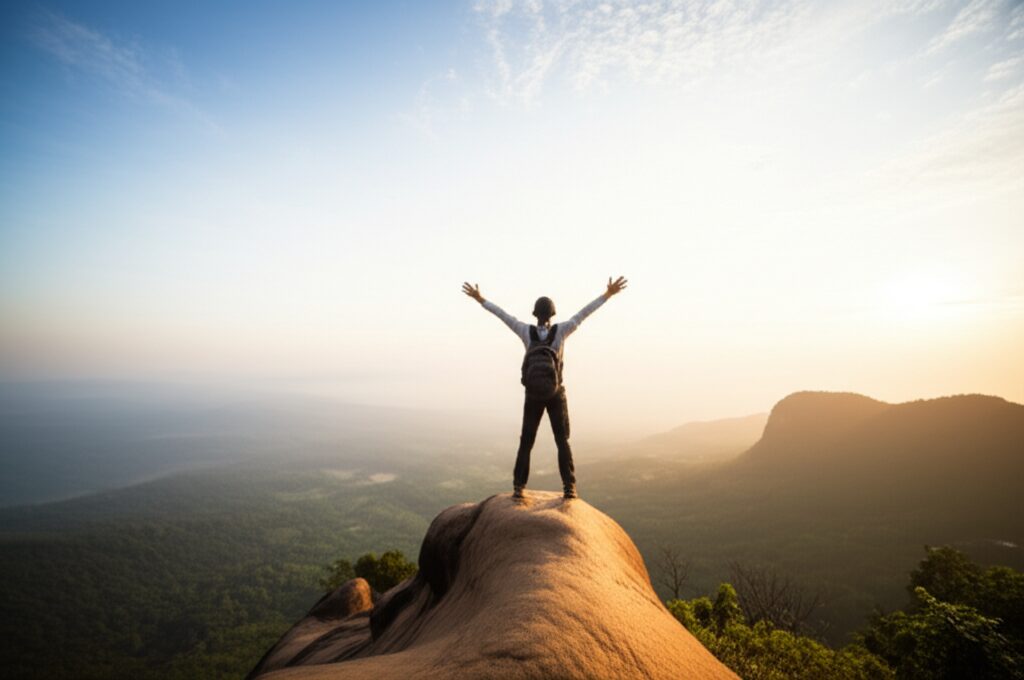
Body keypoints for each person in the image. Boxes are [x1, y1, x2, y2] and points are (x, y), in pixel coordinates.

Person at [462, 276, 628, 500]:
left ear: (535, 315)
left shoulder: (525, 331)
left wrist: (480, 299)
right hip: (555, 394)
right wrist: (607, 295)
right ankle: (569, 487)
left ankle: (519, 487)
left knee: (526, 441)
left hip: (533, 395)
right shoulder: (561, 331)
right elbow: (584, 314)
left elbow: (502, 315)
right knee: (562, 440)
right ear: (552, 315)